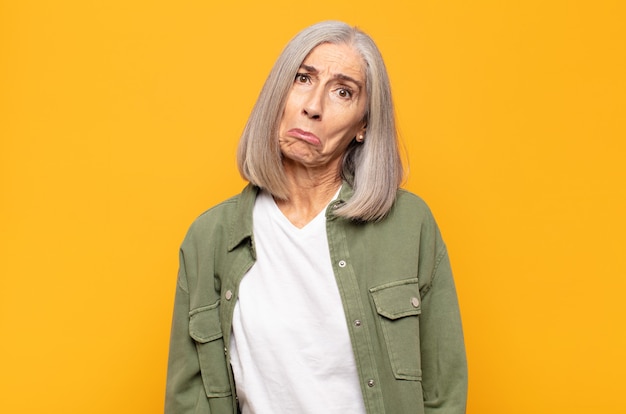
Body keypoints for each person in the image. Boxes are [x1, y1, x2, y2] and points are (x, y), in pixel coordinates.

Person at [165, 20, 467, 414]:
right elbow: (190, 400)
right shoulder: (209, 238)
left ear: (363, 125)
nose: (313, 106)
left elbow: (444, 392)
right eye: (303, 78)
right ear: (278, 94)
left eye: (343, 91)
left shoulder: (409, 226)